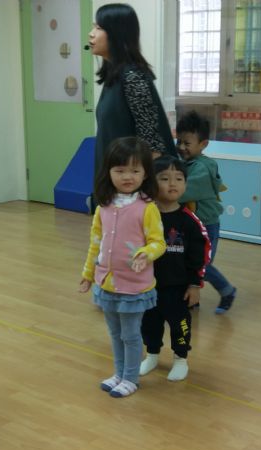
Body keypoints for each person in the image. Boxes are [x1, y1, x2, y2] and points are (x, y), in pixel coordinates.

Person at [79, 137, 165, 398]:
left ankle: (131, 378)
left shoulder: (147, 208)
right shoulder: (103, 207)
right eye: (120, 170)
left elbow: (158, 242)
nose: (128, 176)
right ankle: (119, 373)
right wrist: (88, 274)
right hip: (107, 282)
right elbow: (96, 243)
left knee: (130, 334)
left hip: (133, 286)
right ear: (108, 172)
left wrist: (146, 253)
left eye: (135, 170)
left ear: (145, 173)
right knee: (115, 333)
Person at [88, 3, 178, 211]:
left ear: (117, 34)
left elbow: (152, 142)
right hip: (118, 184)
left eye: (99, 28)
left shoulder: (133, 76)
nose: (91, 34)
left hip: (133, 192)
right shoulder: (114, 75)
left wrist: (145, 197)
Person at [138, 156, 209, 382]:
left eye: (179, 179)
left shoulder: (189, 221)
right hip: (148, 285)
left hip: (178, 288)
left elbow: (200, 255)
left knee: (180, 324)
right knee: (149, 323)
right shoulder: (144, 215)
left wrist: (195, 284)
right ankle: (152, 355)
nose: (172, 184)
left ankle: (180, 358)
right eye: (165, 178)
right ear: (152, 182)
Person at [176, 111, 237, 314]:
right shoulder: (186, 162)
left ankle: (227, 291)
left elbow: (184, 191)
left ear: (203, 144)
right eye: (179, 141)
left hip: (206, 225)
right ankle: (192, 299)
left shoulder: (203, 168)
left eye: (187, 143)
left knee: (200, 264)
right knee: (186, 262)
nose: (181, 147)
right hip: (189, 224)